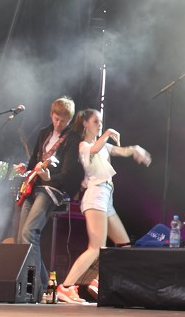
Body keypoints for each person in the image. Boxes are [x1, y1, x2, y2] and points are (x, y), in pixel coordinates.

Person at [56, 109, 152, 304]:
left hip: (106, 198)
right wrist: (107, 132)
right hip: (96, 195)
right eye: (95, 122)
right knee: (96, 247)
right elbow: (93, 150)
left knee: (124, 245)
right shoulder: (84, 146)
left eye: (100, 122)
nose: (99, 125)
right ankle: (65, 287)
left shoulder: (103, 147)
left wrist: (135, 149)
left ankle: (98, 281)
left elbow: (121, 150)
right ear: (85, 124)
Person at [14, 96, 83, 286]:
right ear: (51, 115)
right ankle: (39, 285)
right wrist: (25, 168)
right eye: (56, 118)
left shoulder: (72, 138)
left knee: (30, 232)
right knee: (22, 238)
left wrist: (50, 178)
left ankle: (43, 286)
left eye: (63, 120)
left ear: (70, 120)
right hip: (34, 185)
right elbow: (35, 160)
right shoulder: (44, 132)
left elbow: (69, 172)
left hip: (52, 189)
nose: (59, 123)